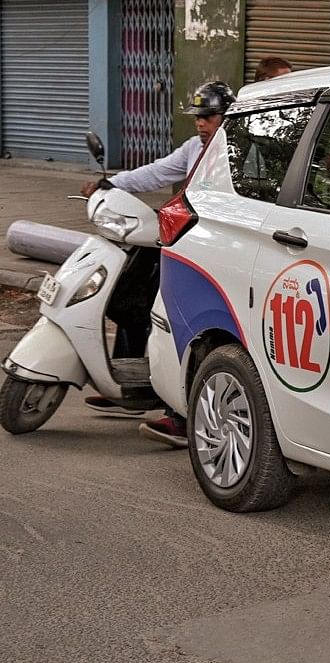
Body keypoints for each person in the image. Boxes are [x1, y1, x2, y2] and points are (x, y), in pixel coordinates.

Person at [80, 81, 237, 449]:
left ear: (227, 116)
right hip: (176, 236)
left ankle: (182, 415)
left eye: (210, 116)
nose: (202, 124)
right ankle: (128, 385)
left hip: (211, 248)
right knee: (130, 298)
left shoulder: (236, 152)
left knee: (182, 322)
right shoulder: (194, 148)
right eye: (199, 117)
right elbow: (157, 172)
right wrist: (111, 185)